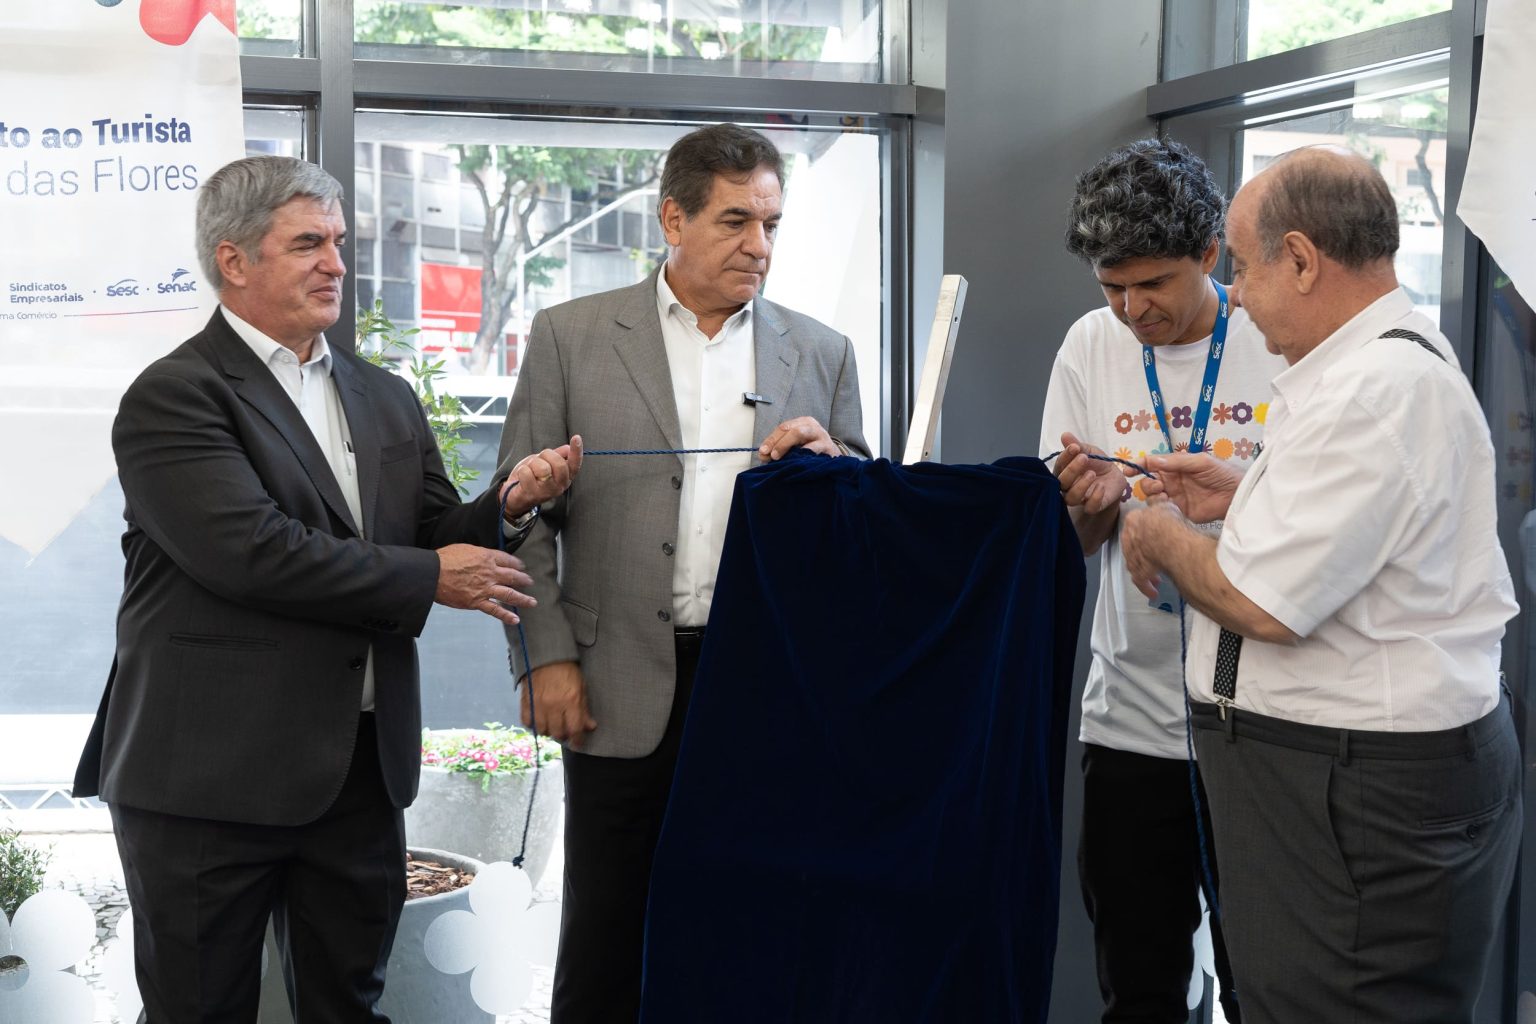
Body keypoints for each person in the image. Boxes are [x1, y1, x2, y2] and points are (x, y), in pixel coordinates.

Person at [72, 155, 582, 1021]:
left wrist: (507, 504)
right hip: (206, 780)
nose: (336, 264)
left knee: (349, 1006)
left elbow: (427, 532)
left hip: (357, 771)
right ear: (234, 261)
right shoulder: (174, 395)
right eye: (308, 243)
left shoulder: (384, 396)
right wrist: (431, 576)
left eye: (340, 243)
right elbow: (253, 553)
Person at [1121, 146, 1522, 1023]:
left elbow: (1262, 602)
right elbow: (1361, 538)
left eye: (1243, 267)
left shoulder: (1373, 390)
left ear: (1301, 260)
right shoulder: (1374, 370)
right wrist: (1243, 497)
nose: (1235, 294)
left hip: (1356, 800)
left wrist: (1156, 532)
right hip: (1340, 790)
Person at [497, 121, 870, 1022]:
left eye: (771, 224)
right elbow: (517, 515)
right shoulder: (571, 336)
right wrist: (546, 656)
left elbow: (864, 520)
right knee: (606, 940)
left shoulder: (822, 352)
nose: (759, 246)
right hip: (614, 681)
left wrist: (836, 466)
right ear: (673, 218)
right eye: (736, 222)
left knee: (753, 931)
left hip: (765, 689)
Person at [1041, 138, 1281, 1023]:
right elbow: (1067, 541)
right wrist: (1092, 503)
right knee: (1139, 990)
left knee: (1263, 985)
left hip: (1263, 725)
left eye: (1153, 284)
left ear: (1210, 254)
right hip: (1130, 724)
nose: (1132, 309)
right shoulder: (1088, 344)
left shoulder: (1274, 336)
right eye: (1113, 288)